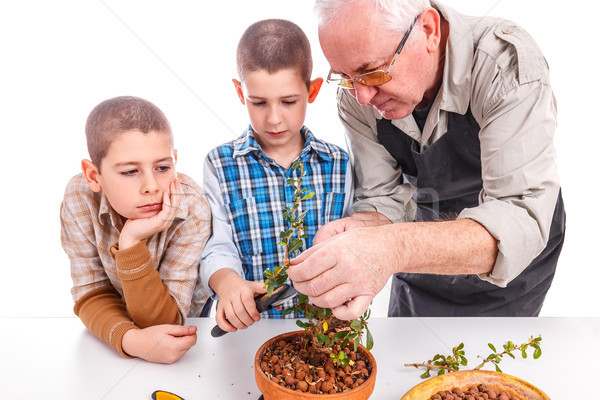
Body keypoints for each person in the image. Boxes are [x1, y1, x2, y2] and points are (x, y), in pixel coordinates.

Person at [287, 0, 566, 319]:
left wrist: (390, 247)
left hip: (510, 275)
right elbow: (384, 198)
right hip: (417, 255)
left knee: (483, 365)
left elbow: (518, 218)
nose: (362, 97)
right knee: (410, 363)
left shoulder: (504, 65)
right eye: (346, 77)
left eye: (372, 72)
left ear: (429, 31)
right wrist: (361, 231)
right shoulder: (356, 96)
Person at [200, 19, 354, 334]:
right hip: (249, 334)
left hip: (328, 333)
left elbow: (353, 242)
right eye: (259, 103)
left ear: (312, 91)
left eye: (288, 102)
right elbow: (217, 245)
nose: (273, 118)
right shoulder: (219, 164)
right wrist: (228, 284)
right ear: (240, 92)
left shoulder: (338, 162)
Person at [60, 96, 212, 363]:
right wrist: (131, 341)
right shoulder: (79, 198)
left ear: (175, 161)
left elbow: (167, 321)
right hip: (114, 322)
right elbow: (91, 292)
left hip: (179, 323)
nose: (152, 186)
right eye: (130, 171)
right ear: (94, 176)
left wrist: (130, 242)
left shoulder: (192, 209)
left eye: (163, 168)